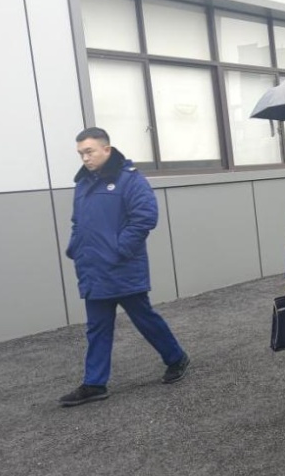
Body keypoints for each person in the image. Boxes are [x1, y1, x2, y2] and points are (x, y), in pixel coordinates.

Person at [60, 128, 190, 407]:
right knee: (97, 327)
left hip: (122, 267)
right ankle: (94, 383)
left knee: (144, 319)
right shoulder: (82, 184)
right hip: (93, 268)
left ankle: (176, 357)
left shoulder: (129, 180)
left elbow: (145, 217)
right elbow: (77, 222)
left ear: (106, 149)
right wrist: (75, 247)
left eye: (89, 151)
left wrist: (118, 250)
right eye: (81, 153)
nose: (85, 158)